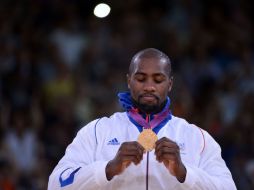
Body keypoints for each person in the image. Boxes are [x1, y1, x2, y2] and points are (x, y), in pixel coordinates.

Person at [48, 48, 236, 190]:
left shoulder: (197, 137)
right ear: (129, 80)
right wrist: (108, 169)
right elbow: (57, 184)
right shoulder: (98, 131)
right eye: (141, 78)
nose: (149, 87)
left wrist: (184, 173)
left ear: (170, 84)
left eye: (158, 79)